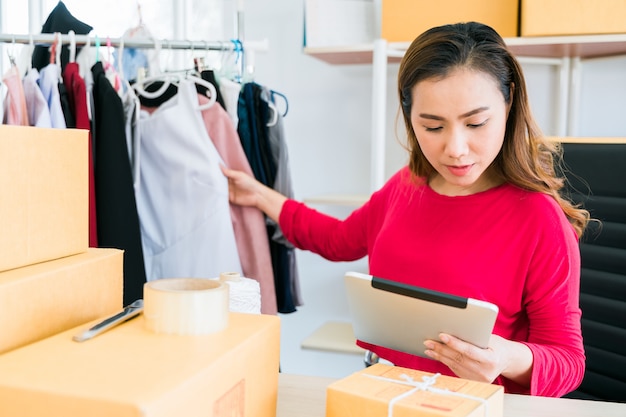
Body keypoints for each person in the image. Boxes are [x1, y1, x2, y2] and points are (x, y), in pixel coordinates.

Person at [220, 21, 590, 397]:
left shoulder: (538, 219)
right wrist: (259, 195)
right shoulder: (406, 187)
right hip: (387, 392)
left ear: (509, 103)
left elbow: (569, 362)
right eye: (433, 127)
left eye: (476, 123)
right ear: (410, 117)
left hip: (469, 403)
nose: (456, 148)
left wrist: (508, 357)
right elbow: (337, 240)